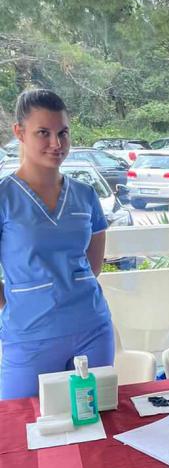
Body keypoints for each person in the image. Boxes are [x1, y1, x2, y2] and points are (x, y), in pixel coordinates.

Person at [0, 89, 114, 400]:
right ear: (19, 133)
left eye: (63, 133)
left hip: (92, 330)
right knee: (20, 421)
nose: (56, 143)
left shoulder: (85, 195)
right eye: (43, 133)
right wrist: (22, 302)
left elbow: (93, 266)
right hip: (29, 337)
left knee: (96, 420)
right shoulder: (5, 198)